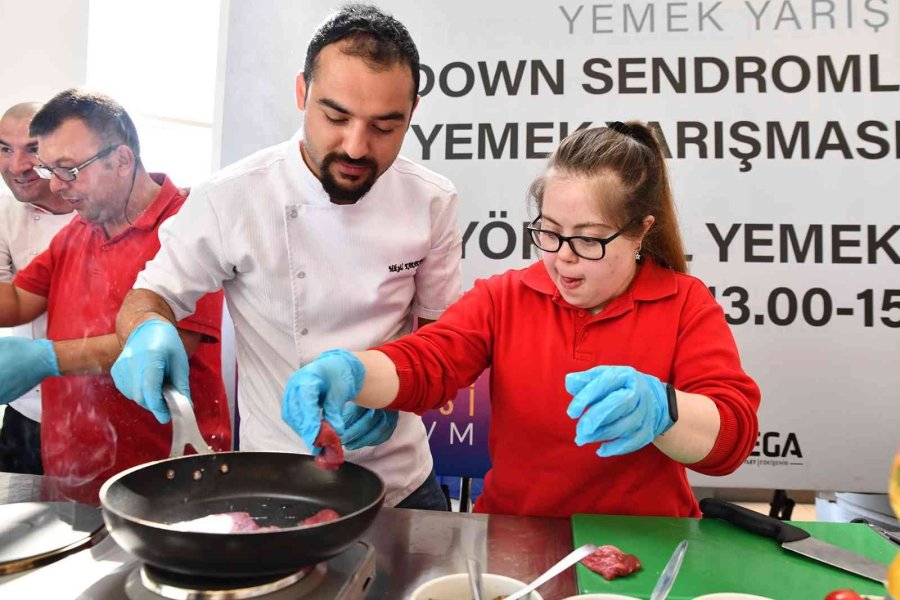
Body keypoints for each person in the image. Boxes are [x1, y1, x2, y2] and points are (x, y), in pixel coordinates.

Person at [281, 122, 762, 518]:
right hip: (513, 536)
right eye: (550, 233)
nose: (564, 259)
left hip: (651, 543)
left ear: (640, 232)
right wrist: (354, 372)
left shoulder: (684, 303)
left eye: (589, 239)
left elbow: (732, 440)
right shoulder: (506, 297)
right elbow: (430, 360)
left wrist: (666, 410)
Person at [111, 4, 461, 510]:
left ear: (412, 114)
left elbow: (443, 343)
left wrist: (401, 392)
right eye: (335, 117)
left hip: (402, 480)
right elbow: (149, 296)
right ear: (302, 93)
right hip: (274, 479)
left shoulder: (432, 200)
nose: (356, 147)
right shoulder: (231, 196)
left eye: (385, 127)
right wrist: (147, 330)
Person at [0, 89, 230, 502]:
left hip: (166, 479)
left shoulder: (186, 227)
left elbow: (175, 341)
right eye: (49, 169)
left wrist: (47, 359)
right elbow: (18, 303)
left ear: (122, 160)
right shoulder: (81, 228)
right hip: (73, 475)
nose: (56, 185)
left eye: (69, 170)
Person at [0, 102, 76, 475]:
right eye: (4, 150)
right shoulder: (4, 215)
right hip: (24, 411)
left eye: (31, 148)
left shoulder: (96, 213)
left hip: (91, 409)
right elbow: (9, 303)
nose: (17, 166)